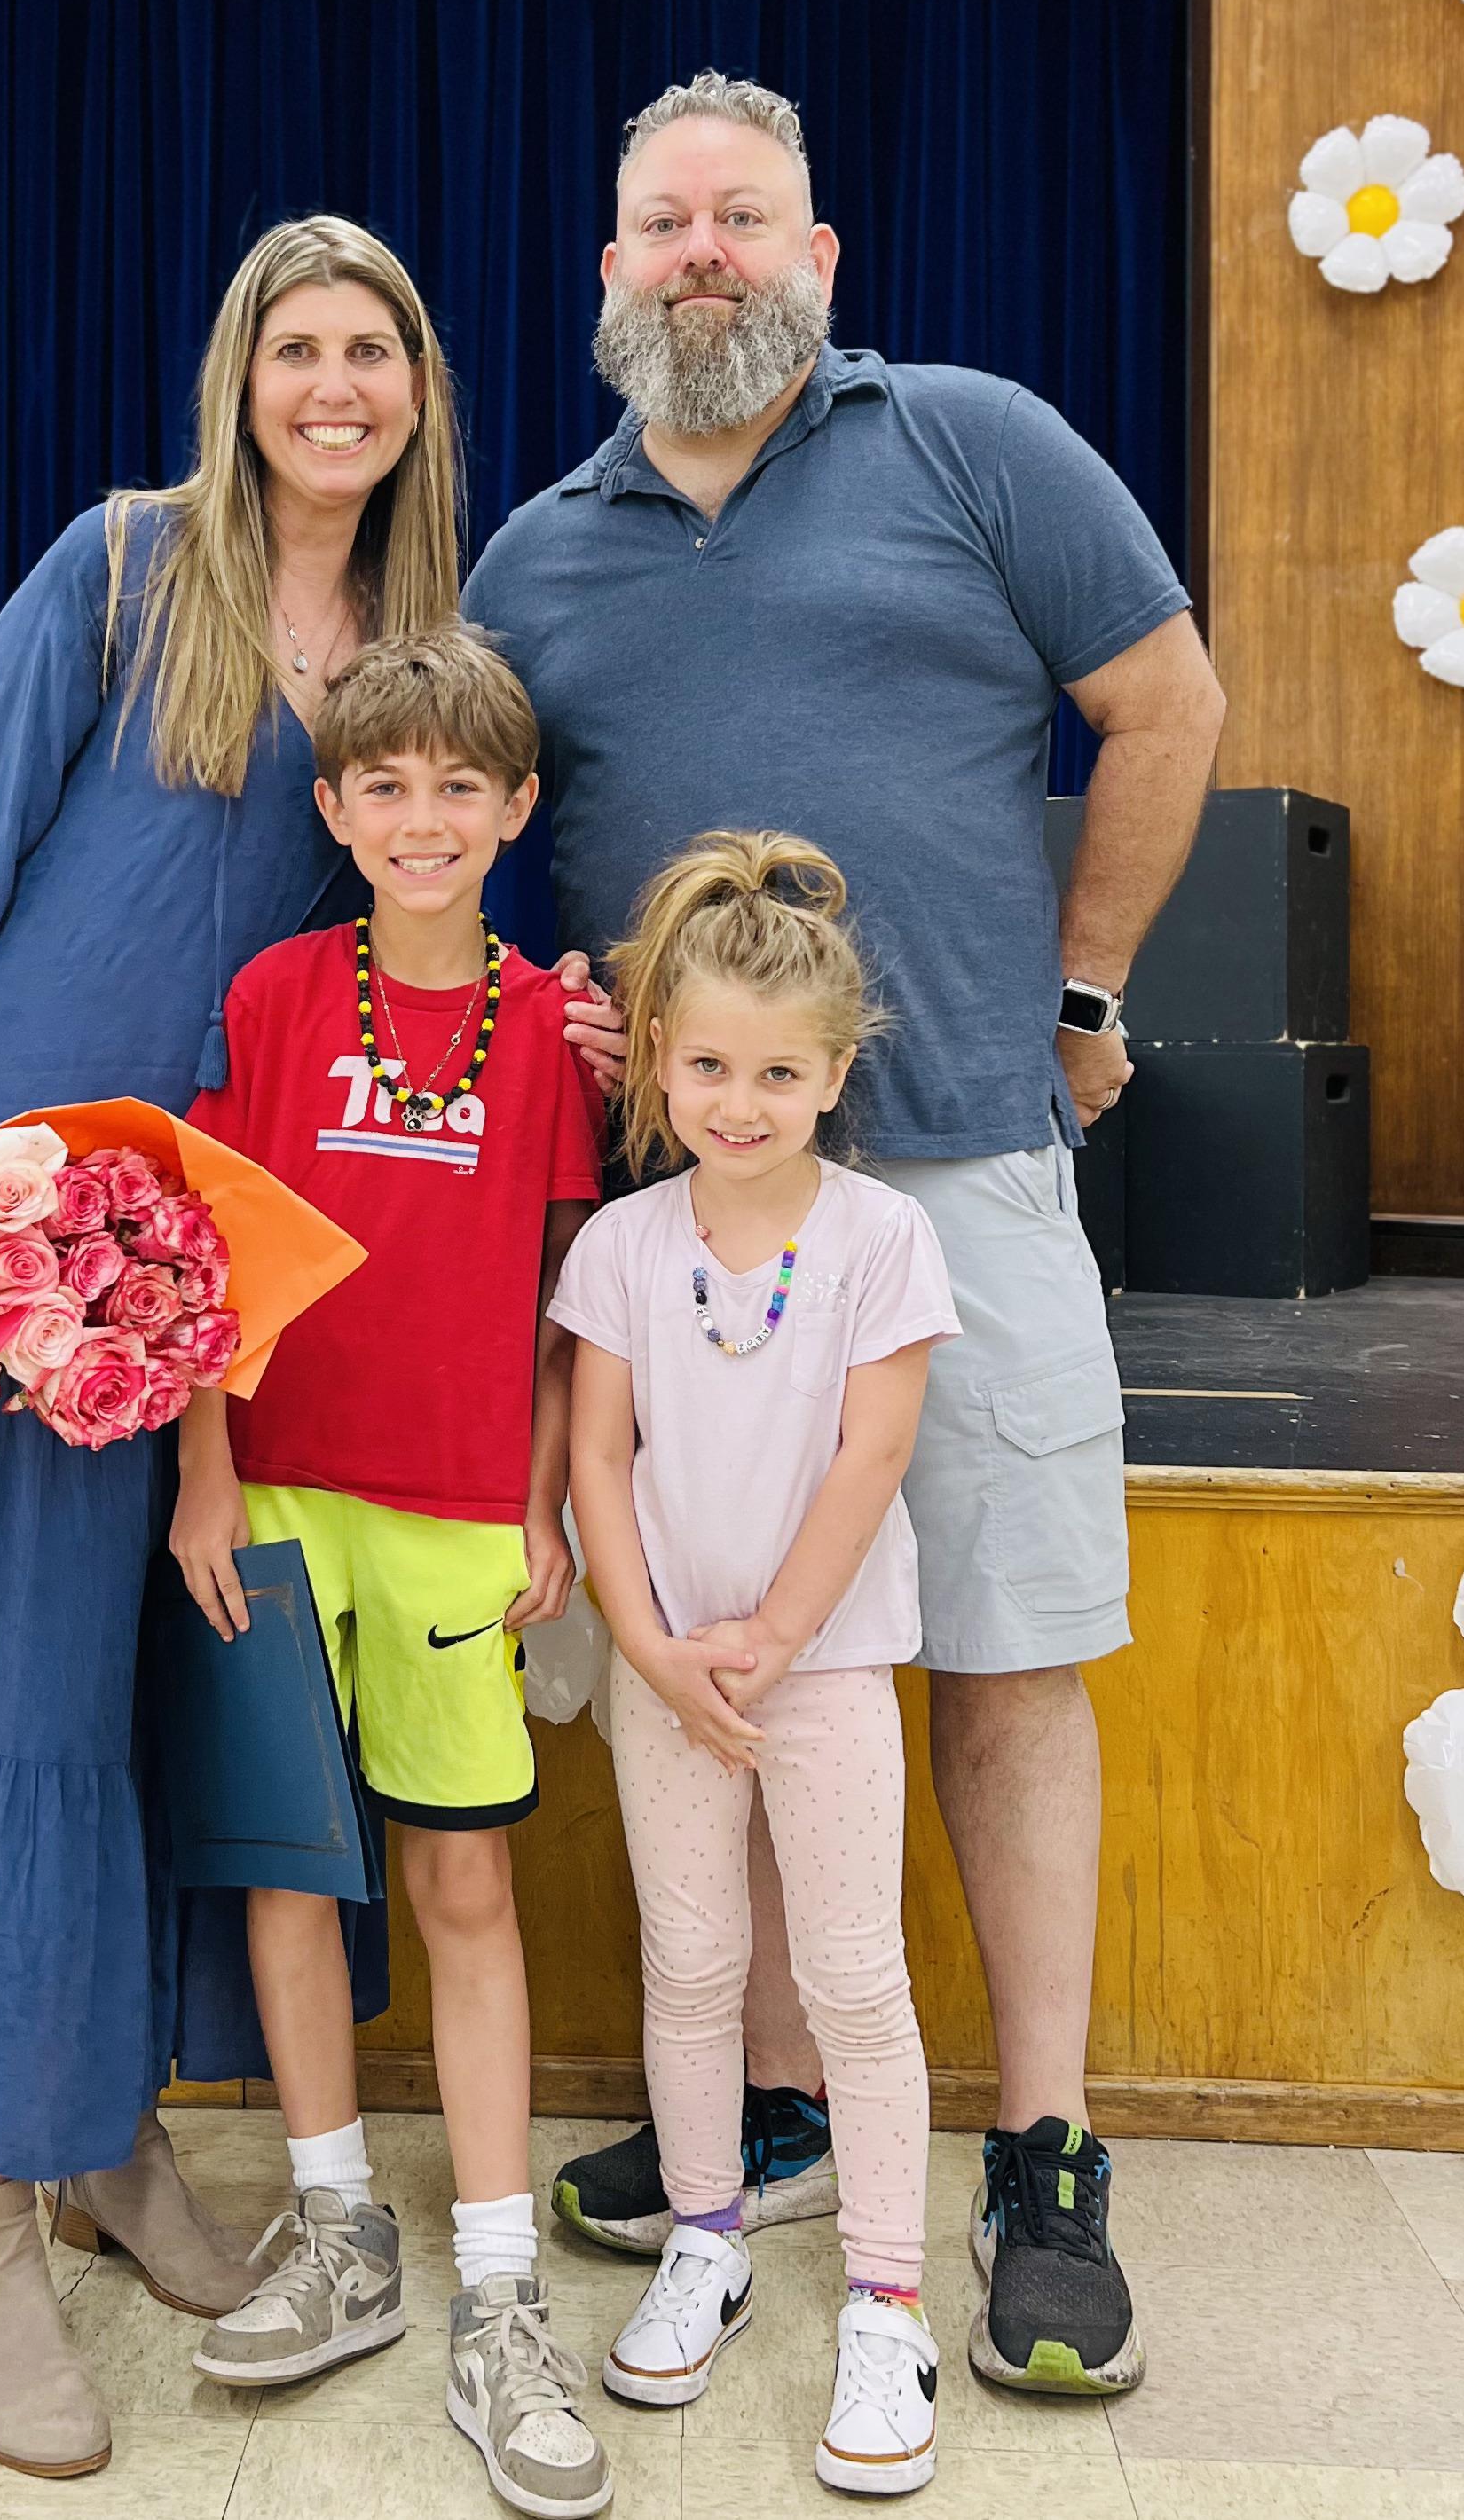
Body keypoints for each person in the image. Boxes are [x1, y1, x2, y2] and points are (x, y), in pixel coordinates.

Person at [0, 217, 621, 2483]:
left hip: (243, 1282)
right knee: (3, 1699)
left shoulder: (425, 661)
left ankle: (98, 2127)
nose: (331, 382)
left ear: (416, 389)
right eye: (294, 345)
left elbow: (443, 936)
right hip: (26, 1242)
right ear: (242, 375)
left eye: (368, 347)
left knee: (157, 1704)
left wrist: (575, 1009)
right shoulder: (118, 573)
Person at [464, 72, 1227, 2398]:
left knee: (1001, 1655)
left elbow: (1165, 701)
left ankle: (1043, 2147)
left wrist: (1085, 996)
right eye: (662, 223)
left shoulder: (976, 445)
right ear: (610, 275)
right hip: (678, 1227)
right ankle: (780, 2118)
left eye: (745, 220)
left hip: (965, 1170)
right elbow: (460, 858)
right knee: (750, 1654)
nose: (703, 252)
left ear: (819, 259)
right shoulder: (534, 558)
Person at [174, 626, 613, 2517]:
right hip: (272, 1496)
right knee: (291, 1865)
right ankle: (337, 2222)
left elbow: (555, 1304)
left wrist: (542, 1503)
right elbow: (202, 1254)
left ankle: (500, 2288)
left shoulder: (550, 1029)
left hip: (448, 1509)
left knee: (456, 1874)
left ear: (514, 808)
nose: (419, 816)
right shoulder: (273, 996)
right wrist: (200, 1476)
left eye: (459, 785)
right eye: (383, 784)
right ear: (335, 806)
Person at [556, 831, 961, 2496]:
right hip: (669, 1678)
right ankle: (706, 2237)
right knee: (696, 1962)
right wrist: (653, 1646)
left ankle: (887, 2295)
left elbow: (872, 1460)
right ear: (658, 1058)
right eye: (708, 1063)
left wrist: (773, 1640)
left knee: (854, 1977)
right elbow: (594, 1458)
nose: (738, 1098)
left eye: (777, 1071)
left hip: (825, 1665)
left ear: (833, 1072)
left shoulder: (879, 1242)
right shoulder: (626, 1248)